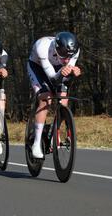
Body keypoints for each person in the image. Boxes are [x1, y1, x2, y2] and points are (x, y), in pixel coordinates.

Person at [26, 31, 82, 159]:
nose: (67, 59)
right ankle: (36, 143)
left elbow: (66, 71)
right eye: (63, 56)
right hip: (38, 68)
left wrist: (73, 71)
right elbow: (52, 77)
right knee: (46, 98)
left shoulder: (75, 50)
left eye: (69, 56)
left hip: (57, 69)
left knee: (63, 100)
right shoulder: (42, 47)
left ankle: (54, 131)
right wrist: (63, 71)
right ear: (56, 49)